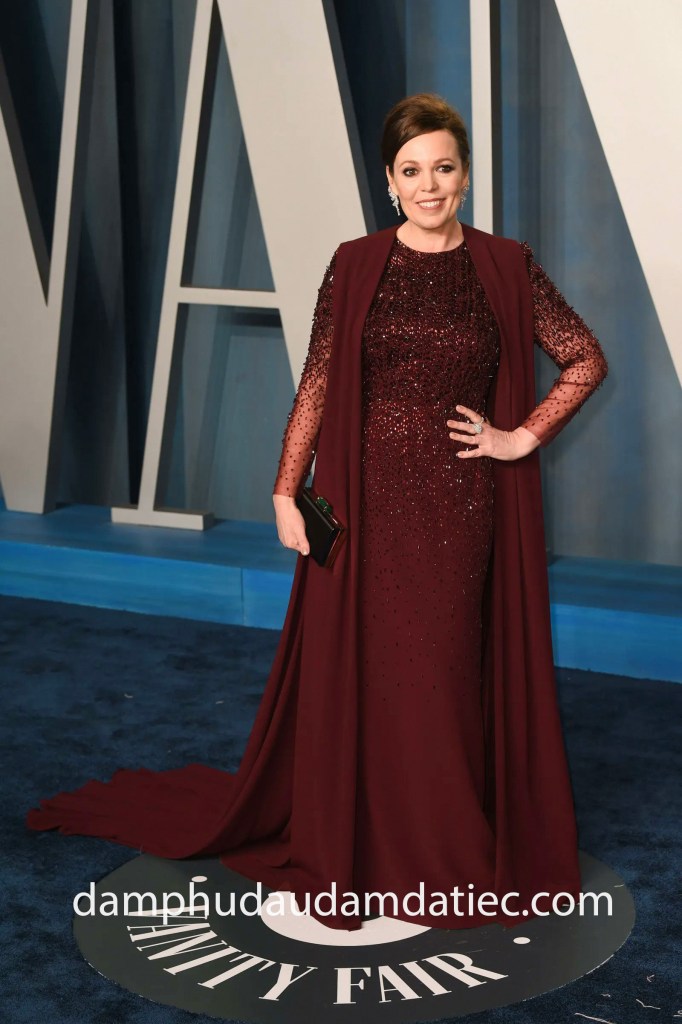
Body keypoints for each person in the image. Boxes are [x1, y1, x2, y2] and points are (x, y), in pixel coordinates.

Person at [27, 93, 608, 933]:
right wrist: (283, 490)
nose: (429, 184)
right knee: (375, 676)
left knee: (442, 677)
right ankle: (368, 836)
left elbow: (584, 357)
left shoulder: (506, 266)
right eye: (411, 171)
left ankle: (439, 852)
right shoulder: (356, 263)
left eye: (443, 167)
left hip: (458, 509)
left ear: (466, 175)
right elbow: (320, 381)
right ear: (389, 181)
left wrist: (520, 437)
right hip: (365, 507)